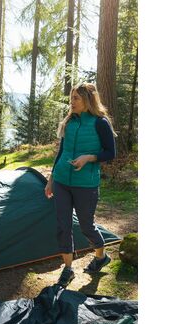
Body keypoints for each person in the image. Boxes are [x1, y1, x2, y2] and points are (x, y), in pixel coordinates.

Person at [44, 82, 117, 287]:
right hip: (61, 182)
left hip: (86, 184)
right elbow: (61, 152)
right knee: (63, 226)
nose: (72, 102)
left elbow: (111, 153)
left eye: (76, 98)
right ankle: (68, 269)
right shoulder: (69, 122)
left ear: (88, 100)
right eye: (71, 98)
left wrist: (88, 157)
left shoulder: (100, 123)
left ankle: (101, 256)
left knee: (86, 226)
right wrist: (51, 179)